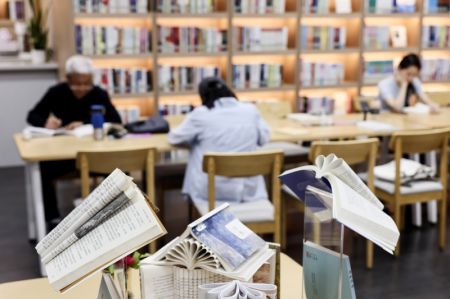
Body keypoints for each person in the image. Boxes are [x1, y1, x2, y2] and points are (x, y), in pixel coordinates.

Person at [26, 55, 122, 228]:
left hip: (94, 154)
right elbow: (32, 115)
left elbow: (116, 119)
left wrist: (85, 122)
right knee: (43, 168)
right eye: (77, 83)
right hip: (64, 155)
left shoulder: (99, 93)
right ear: (68, 79)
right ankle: (51, 218)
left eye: (87, 83)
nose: (82, 88)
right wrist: (45, 123)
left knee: (118, 166)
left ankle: (116, 213)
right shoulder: (56, 92)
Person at [168, 77, 271, 204]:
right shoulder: (250, 110)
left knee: (197, 149)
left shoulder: (201, 114)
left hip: (211, 192)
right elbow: (264, 139)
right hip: (248, 190)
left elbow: (174, 138)